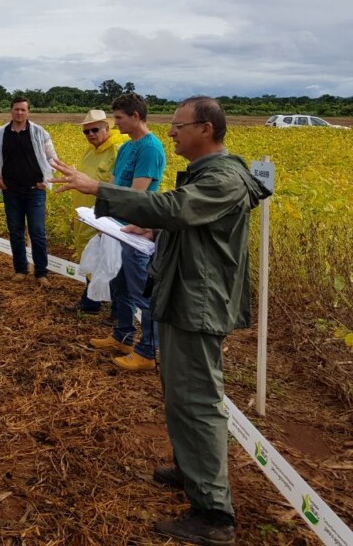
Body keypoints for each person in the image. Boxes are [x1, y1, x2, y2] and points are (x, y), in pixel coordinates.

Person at [53, 96, 269, 546]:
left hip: (199, 302)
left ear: (206, 128)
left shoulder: (224, 178)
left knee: (196, 401)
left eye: (179, 125)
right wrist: (155, 229)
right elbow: (183, 220)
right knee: (178, 391)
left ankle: (213, 513)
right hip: (183, 294)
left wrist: (100, 191)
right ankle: (191, 471)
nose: (171, 132)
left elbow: (173, 208)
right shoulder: (210, 176)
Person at [88, 92, 166, 371]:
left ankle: (147, 350)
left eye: (119, 118)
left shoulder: (150, 148)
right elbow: (112, 184)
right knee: (118, 283)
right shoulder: (126, 148)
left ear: (136, 116)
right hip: (116, 227)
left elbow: (137, 193)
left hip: (136, 229)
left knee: (140, 290)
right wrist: (103, 219)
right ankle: (122, 336)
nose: (115, 123)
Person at [0, 96, 58, 286]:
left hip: (35, 191)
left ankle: (41, 273)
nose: (19, 113)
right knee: (15, 231)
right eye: (16, 109)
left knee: (37, 231)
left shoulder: (39, 132)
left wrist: (46, 181)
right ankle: (20, 269)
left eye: (23, 110)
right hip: (11, 191)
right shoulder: (1, 133)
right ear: (11, 111)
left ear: (28, 112)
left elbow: (52, 159)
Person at [63, 109, 127, 314]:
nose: (90, 135)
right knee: (90, 258)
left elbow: (119, 188)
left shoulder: (118, 150)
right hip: (86, 217)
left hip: (104, 219)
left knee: (112, 262)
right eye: (86, 131)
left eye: (95, 130)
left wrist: (109, 218)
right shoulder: (90, 151)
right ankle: (92, 301)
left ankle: (118, 312)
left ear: (107, 128)